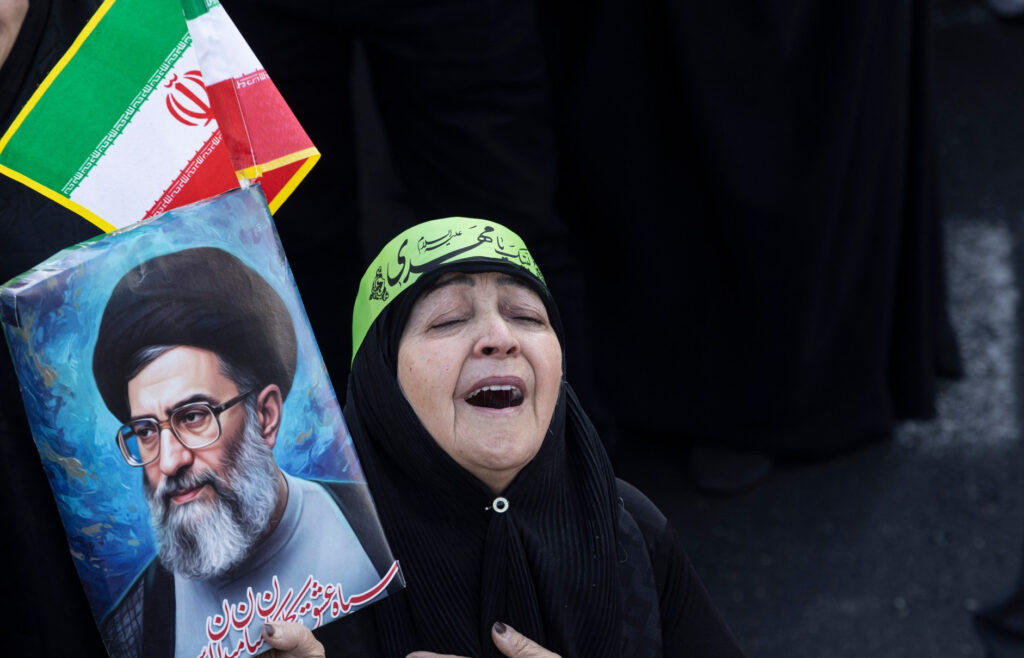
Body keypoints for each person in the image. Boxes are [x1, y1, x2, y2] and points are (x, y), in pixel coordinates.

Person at [280, 217, 744, 657]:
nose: (501, 337)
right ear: (380, 383)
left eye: (527, 316)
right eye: (447, 319)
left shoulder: (629, 528)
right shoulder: (299, 572)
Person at [91, 247, 396, 658]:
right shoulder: (134, 625)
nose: (169, 461)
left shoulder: (381, 534)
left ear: (265, 416)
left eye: (193, 417)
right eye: (146, 430)